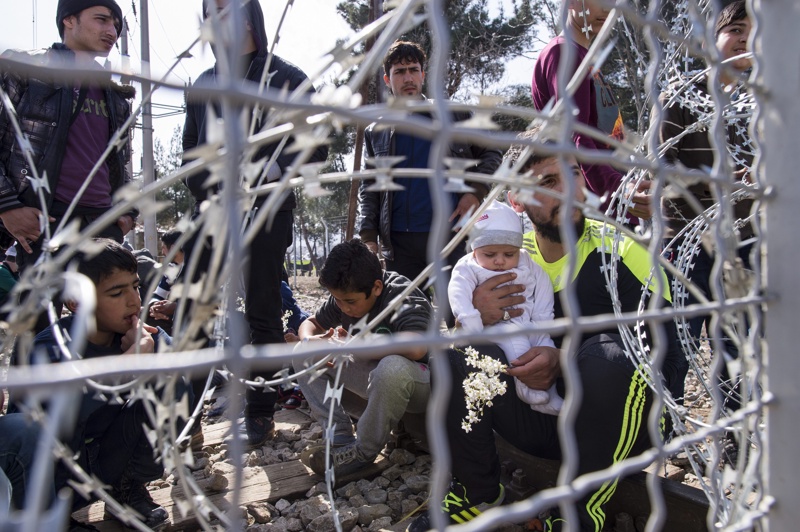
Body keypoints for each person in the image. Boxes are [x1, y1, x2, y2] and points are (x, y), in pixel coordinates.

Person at [408, 135, 686, 532]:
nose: (570, 189)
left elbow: (667, 360)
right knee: (454, 352)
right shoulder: (505, 260)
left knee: (604, 360)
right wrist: (476, 318)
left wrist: (564, 362)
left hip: (629, 425)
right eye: (549, 182)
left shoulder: (624, 253)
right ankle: (478, 493)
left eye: (573, 173)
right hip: (546, 418)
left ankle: (579, 514)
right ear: (517, 202)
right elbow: (457, 341)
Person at [181, 0, 328, 448]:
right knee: (195, 312)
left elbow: (316, 144)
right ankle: (189, 419)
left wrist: (272, 172)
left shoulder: (285, 78)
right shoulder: (204, 85)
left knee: (264, 309)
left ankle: (261, 412)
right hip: (213, 211)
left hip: (267, 213)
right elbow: (190, 155)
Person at [24, 239, 187, 529]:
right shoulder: (50, 347)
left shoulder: (139, 335)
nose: (135, 301)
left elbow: (183, 390)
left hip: (103, 459)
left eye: (135, 287)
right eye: (116, 292)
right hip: (54, 477)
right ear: (75, 302)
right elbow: (53, 422)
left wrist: (156, 352)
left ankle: (126, 490)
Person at [656, 0, 755, 461]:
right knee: (677, 337)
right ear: (713, 38)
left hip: (746, 243)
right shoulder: (685, 95)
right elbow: (662, 167)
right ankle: (666, 428)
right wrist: (718, 187)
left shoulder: (766, 107)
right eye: (734, 28)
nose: (742, 39)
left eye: (753, 31)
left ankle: (733, 439)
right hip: (688, 240)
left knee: (734, 341)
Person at [356, 40, 502, 301]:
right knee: (409, 320)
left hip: (449, 238)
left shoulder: (454, 115)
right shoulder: (375, 131)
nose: (408, 78)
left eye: (414, 70)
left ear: (423, 75)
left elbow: (492, 152)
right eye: (400, 72)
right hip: (399, 246)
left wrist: (475, 193)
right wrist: (368, 237)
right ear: (387, 79)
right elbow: (370, 189)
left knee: (460, 314)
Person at [0, 0, 137, 269]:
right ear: (69, 20)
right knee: (39, 309)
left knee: (110, 309)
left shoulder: (116, 93)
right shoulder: (25, 68)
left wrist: (128, 213)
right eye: (102, 19)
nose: (112, 31)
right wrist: (7, 206)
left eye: (116, 25)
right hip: (44, 219)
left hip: (103, 222)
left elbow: (121, 164)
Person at [295, 240, 432, 476]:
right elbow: (311, 323)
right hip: (375, 379)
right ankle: (338, 436)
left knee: (391, 367)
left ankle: (363, 452)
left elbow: (417, 348)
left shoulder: (402, 294)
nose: (343, 308)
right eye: (337, 300)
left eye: (350, 302)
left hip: (419, 385)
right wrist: (309, 341)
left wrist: (357, 346)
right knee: (302, 352)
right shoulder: (347, 292)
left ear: (377, 287)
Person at [531, 0, 651, 220]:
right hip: (594, 206)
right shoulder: (563, 52)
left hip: (613, 201)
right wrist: (618, 188)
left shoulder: (582, 57)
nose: (608, 9)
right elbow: (577, 136)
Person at [449, 200, 562, 415]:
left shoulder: (526, 261)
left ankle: (551, 395)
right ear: (475, 250)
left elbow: (543, 282)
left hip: (528, 322)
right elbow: (458, 292)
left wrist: (542, 319)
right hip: (499, 326)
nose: (500, 261)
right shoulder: (468, 266)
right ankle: (528, 391)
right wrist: (471, 318)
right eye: (490, 255)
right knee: (518, 347)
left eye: (509, 254)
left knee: (545, 345)